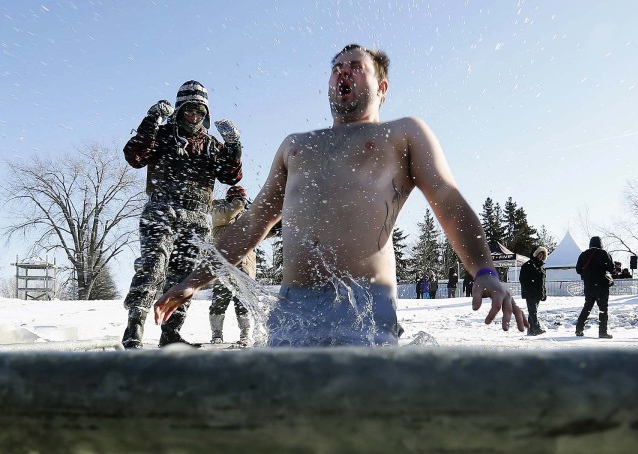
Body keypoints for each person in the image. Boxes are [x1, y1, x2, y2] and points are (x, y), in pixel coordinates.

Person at [154, 44, 525, 345]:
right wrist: (193, 280)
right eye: (336, 67)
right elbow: (252, 223)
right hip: (292, 312)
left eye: (356, 66)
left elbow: (447, 200)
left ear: (382, 87)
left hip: (364, 306)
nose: (342, 71)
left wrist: (484, 270)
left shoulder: (402, 133)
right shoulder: (295, 145)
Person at [120, 81, 244, 348]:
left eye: (200, 111)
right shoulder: (162, 135)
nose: (195, 116)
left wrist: (234, 145)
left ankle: (171, 334)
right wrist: (151, 120)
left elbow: (230, 176)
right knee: (153, 267)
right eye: (190, 110)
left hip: (196, 219)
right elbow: (135, 156)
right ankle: (135, 326)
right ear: (179, 110)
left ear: (206, 114)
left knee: (184, 277)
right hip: (161, 212)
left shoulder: (211, 145)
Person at [209, 185, 256, 346]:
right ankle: (216, 334)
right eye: (240, 199)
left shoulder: (246, 217)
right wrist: (240, 203)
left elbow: (259, 234)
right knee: (219, 302)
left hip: (245, 267)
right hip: (224, 267)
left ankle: (245, 335)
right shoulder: (219, 211)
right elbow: (229, 213)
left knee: (244, 303)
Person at [574, 235, 615, 339]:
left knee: (587, 307)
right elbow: (611, 267)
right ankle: (602, 332)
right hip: (602, 286)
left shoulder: (583, 254)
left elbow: (578, 269)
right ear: (600, 243)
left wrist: (588, 273)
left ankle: (579, 328)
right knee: (603, 309)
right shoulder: (603, 253)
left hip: (589, 286)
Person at [519, 246, 547, 336]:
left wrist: (544, 292)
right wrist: (528, 289)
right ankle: (536, 328)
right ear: (535, 254)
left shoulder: (541, 267)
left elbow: (542, 282)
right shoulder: (527, 265)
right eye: (539, 254)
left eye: (542, 254)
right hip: (530, 292)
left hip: (538, 292)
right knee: (533, 311)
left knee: (533, 311)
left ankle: (531, 329)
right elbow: (522, 279)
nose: (541, 256)